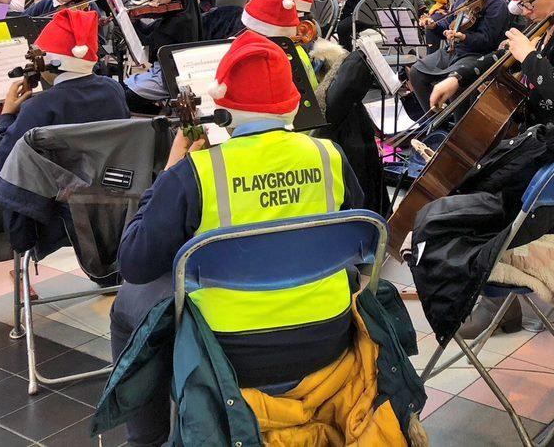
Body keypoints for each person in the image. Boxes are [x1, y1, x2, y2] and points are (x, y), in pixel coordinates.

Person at [110, 30, 364, 447]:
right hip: (329, 334)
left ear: (221, 105)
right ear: (290, 101)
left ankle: (145, 438)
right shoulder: (329, 155)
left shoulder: (197, 173)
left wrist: (172, 168)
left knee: (128, 304)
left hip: (228, 348)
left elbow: (135, 262)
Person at [0, 9, 129, 340]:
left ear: (50, 63)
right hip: (105, 207)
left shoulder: (40, 107)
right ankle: (106, 275)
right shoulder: (112, 91)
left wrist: (7, 116)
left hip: (51, 210)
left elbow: (4, 165)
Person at [410, 0, 509, 112]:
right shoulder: (463, 1)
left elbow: (488, 40)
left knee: (456, 79)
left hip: (477, 55)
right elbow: (448, 25)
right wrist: (434, 26)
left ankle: (458, 125)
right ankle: (434, 121)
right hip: (454, 51)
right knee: (416, 72)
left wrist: (464, 37)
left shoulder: (496, 3)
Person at [124, 0, 206, 112]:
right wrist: (135, 22)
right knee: (123, 89)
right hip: (161, 71)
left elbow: (150, 42)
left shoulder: (180, 22)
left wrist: (131, 23)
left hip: (168, 77)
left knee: (127, 97)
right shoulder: (178, 14)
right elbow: (150, 31)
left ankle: (159, 115)